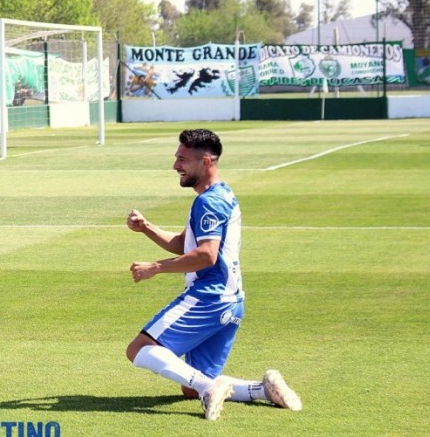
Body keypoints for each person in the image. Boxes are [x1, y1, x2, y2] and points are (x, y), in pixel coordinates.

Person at [125, 129, 302, 421]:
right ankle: (263, 390)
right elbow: (186, 244)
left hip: (209, 297)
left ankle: (211, 387)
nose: (175, 166)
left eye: (182, 160)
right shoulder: (220, 194)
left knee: (139, 349)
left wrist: (156, 268)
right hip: (232, 301)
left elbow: (206, 255)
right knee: (190, 388)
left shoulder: (207, 202)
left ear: (206, 161)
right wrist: (146, 227)